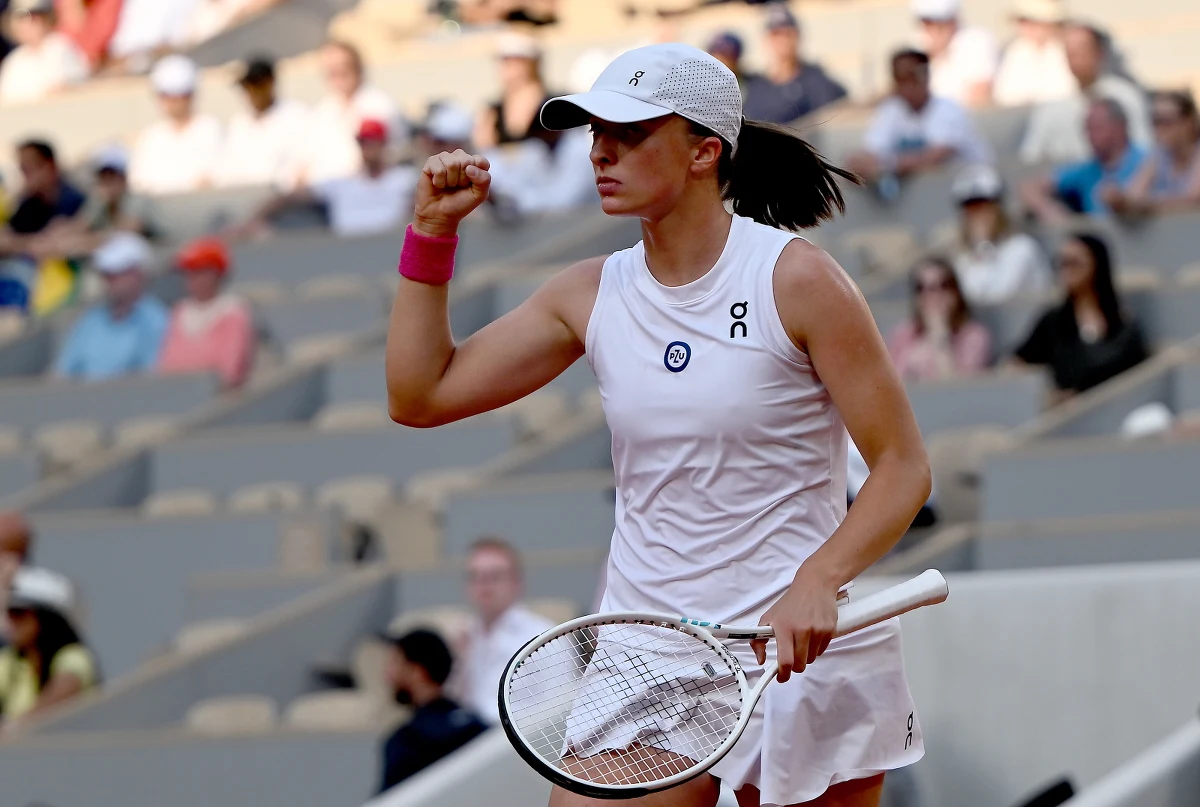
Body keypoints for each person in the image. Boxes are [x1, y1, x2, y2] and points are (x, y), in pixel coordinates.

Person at [385, 42, 932, 807]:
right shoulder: (588, 292)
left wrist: (819, 578)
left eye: (632, 133)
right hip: (648, 653)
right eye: (594, 133)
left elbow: (903, 467)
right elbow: (420, 396)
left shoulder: (799, 278)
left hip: (797, 649)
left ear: (706, 151)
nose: (602, 150)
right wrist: (432, 233)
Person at [1013, 232, 1148, 399]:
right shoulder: (1054, 321)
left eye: (1074, 263)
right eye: (1062, 263)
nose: (1067, 271)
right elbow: (1018, 362)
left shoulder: (1122, 323)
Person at [239, 119, 417, 238]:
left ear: (384, 143)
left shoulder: (404, 179)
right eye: (362, 141)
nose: (367, 147)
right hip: (343, 251)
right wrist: (258, 217)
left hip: (389, 249)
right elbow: (292, 196)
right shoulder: (342, 184)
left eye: (372, 141)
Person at [847, 50, 991, 191]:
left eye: (912, 78)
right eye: (900, 78)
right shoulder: (891, 110)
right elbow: (868, 154)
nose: (907, 85)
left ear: (926, 77)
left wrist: (887, 165)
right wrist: (864, 164)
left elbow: (935, 157)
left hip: (974, 192)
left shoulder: (948, 109)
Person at [1020, 22, 1151, 165]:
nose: (1076, 57)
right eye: (1070, 52)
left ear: (1099, 53)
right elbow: (1031, 156)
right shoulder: (1050, 102)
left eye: (1082, 49)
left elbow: (1143, 148)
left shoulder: (1125, 96)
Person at [378, 629, 488, 793]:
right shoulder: (477, 727)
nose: (387, 675)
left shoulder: (405, 742)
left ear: (416, 672)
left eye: (395, 663)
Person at [457, 537, 552, 725]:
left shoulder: (544, 636)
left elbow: (559, 707)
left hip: (520, 742)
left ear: (517, 582)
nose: (484, 585)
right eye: (475, 576)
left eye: (495, 576)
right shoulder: (467, 636)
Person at [54, 233, 168, 382]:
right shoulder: (91, 320)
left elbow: (152, 380)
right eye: (106, 273)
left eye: (118, 272)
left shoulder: (158, 321)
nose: (109, 280)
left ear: (139, 273)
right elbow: (64, 373)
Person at [0, 566, 97, 732]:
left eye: (19, 613)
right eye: (9, 612)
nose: (11, 621)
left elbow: (65, 690)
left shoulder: (73, 656)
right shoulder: (10, 660)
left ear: (47, 618)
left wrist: (13, 729)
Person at [1020, 98, 1146, 224]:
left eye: (1096, 128)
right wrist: (1051, 212)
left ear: (1119, 127)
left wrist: (1122, 201)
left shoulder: (1147, 160)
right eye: (1087, 129)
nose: (1089, 136)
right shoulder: (1086, 170)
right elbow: (1030, 188)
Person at [0, 140, 87, 316]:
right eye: (21, 169)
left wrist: (23, 244)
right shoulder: (29, 202)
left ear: (49, 166)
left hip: (63, 291)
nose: (24, 175)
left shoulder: (73, 198)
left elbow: (55, 244)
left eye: (28, 169)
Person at [158, 237, 254, 390]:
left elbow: (229, 372)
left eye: (199, 271)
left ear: (216, 274)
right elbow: (167, 364)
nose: (192, 279)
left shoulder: (233, 311)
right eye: (188, 272)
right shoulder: (180, 311)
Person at [949, 164, 1052, 305]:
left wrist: (983, 244)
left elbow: (998, 297)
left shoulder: (1023, 248)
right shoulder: (962, 257)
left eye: (984, 206)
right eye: (970, 208)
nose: (978, 214)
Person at [304, 40, 401, 184]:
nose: (336, 74)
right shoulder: (323, 110)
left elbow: (387, 155)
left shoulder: (379, 105)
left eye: (342, 67)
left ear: (357, 68)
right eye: (330, 69)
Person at [129, 55, 223, 195]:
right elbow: (139, 185)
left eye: (178, 95)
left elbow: (216, 177)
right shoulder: (151, 137)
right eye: (165, 96)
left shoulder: (210, 129)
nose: (171, 102)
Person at [887, 257, 991, 382]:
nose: (931, 295)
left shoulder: (974, 336)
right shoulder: (903, 333)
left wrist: (940, 339)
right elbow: (891, 384)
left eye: (942, 285)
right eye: (921, 288)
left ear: (955, 292)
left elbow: (960, 392)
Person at [741, 4, 847, 125]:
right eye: (776, 34)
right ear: (766, 40)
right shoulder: (755, 87)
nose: (783, 40)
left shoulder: (817, 82)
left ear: (797, 36)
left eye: (787, 34)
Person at [215, 56, 311, 189]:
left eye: (256, 84)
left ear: (270, 82)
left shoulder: (296, 116)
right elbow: (226, 170)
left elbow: (302, 166)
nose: (252, 92)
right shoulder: (238, 125)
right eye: (246, 86)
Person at [1106, 90, 1200, 216]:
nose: (1159, 129)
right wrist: (1118, 200)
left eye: (1166, 121)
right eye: (1155, 121)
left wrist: (1145, 205)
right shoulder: (1160, 153)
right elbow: (1133, 195)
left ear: (1188, 122)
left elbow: (1192, 201)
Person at [474, 31, 562, 153]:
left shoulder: (555, 105)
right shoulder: (492, 110)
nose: (505, 66)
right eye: (503, 60)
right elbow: (484, 150)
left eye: (513, 60)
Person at [911, 0, 997, 108]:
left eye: (939, 23)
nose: (932, 29)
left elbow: (980, 96)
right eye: (927, 23)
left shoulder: (976, 41)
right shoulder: (919, 48)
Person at [0, 0, 88, 106]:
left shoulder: (61, 47)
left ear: (46, 19)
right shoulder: (13, 61)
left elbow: (78, 84)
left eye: (35, 17)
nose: (28, 24)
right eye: (22, 18)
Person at [992, 0, 1077, 108]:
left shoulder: (1066, 51)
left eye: (1030, 21)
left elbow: (1067, 92)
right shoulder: (1015, 51)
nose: (1026, 27)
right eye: (1022, 21)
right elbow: (1004, 95)